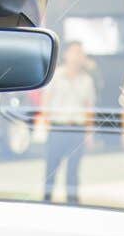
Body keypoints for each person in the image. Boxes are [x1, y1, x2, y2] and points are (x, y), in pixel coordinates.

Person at [40, 40, 96, 203]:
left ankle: (73, 204)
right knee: (51, 169)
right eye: (75, 52)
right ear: (66, 54)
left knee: (73, 171)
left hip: (77, 130)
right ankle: (46, 202)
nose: (78, 56)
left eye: (81, 52)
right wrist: (46, 125)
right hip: (58, 128)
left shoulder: (87, 80)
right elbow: (46, 103)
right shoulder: (55, 76)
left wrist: (89, 133)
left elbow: (89, 108)